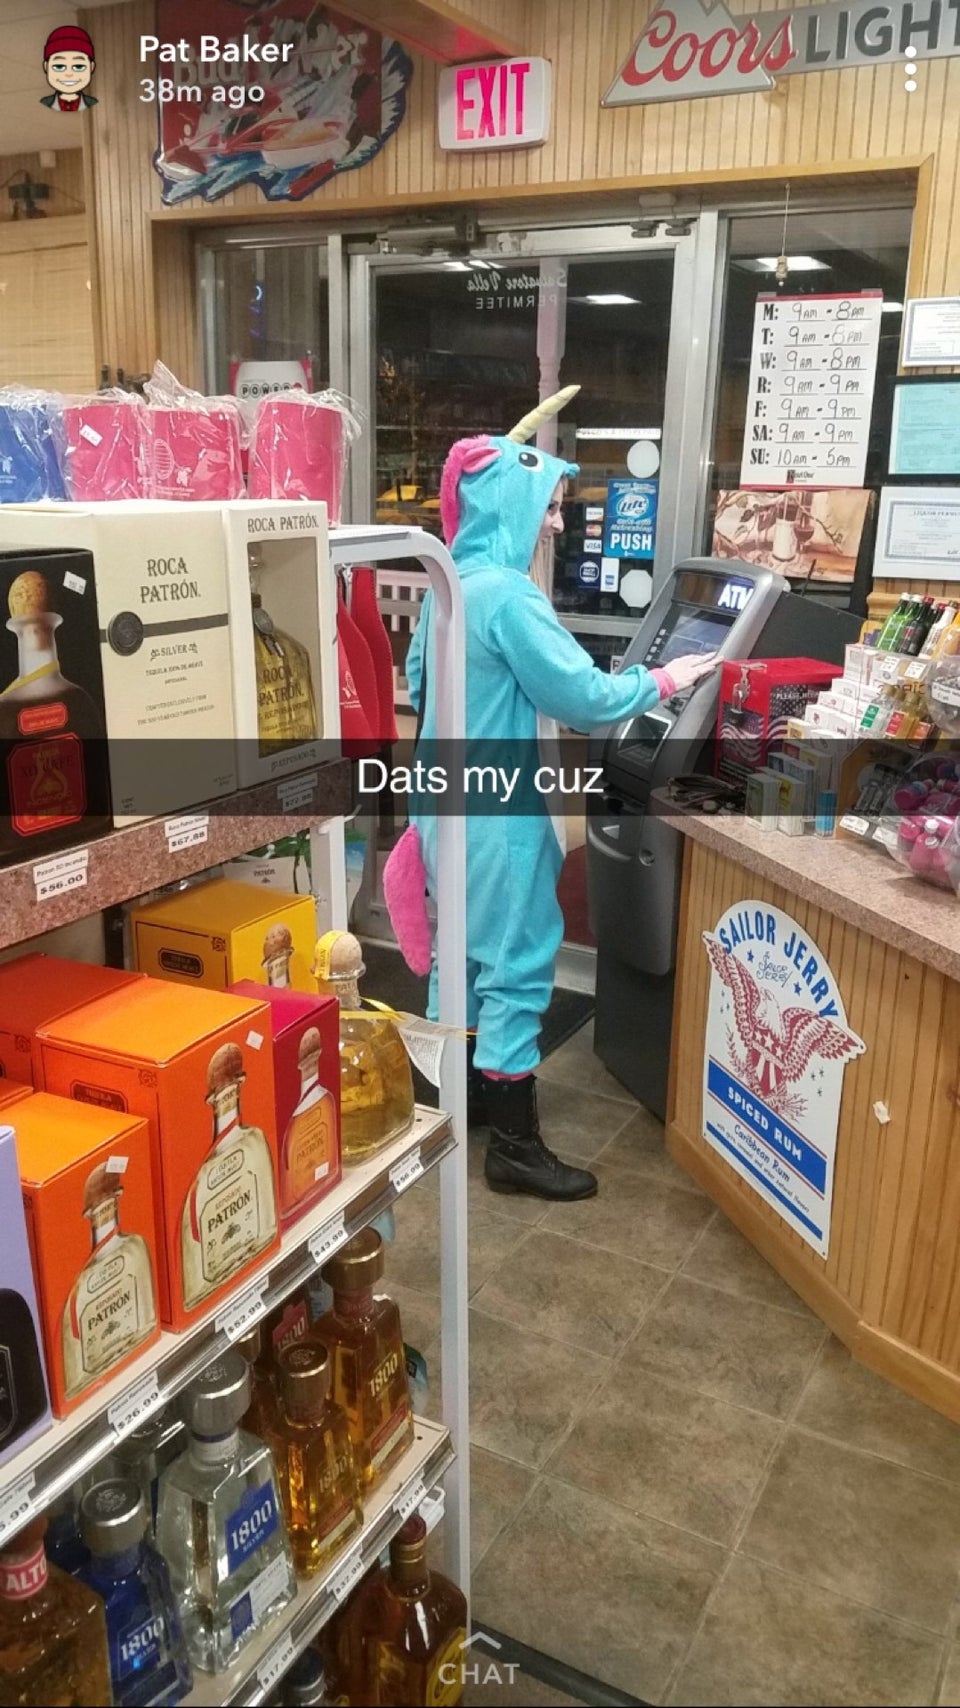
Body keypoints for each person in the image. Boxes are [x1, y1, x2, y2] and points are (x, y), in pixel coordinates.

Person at [404, 401, 717, 1201]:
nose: (555, 524)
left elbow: (417, 681)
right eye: (547, 506)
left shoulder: (444, 585)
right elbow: (579, 696)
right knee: (516, 963)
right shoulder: (510, 596)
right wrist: (665, 679)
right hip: (501, 817)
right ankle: (515, 1146)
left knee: (458, 956)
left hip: (441, 806)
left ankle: (459, 1101)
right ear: (510, 505)